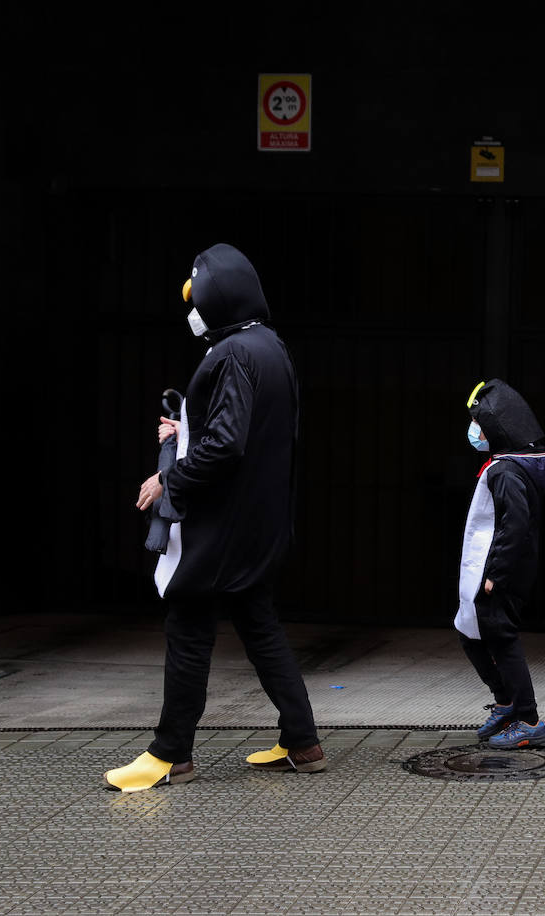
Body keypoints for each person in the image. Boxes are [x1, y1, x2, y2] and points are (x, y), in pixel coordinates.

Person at [104, 243, 324, 792]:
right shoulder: (270, 346)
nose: (191, 308)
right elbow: (254, 430)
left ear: (218, 298)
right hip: (260, 522)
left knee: (188, 627)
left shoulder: (228, 355)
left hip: (221, 527)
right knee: (259, 624)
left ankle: (169, 754)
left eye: (196, 297)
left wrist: (168, 479)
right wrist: (186, 430)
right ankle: (303, 741)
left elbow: (226, 447)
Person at [455, 379, 545, 749]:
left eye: (478, 424)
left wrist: (496, 574)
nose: (474, 432)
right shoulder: (509, 465)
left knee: (500, 639)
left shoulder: (507, 472)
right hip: (495, 571)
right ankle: (506, 702)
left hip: (498, 574)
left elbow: (514, 525)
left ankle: (527, 719)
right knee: (471, 632)